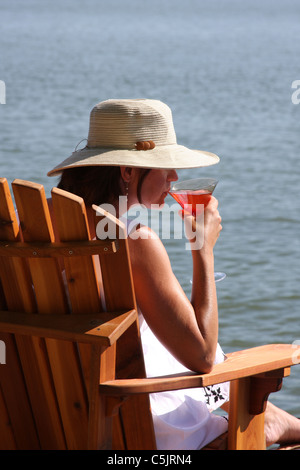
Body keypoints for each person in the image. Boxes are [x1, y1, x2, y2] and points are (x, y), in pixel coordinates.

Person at [48, 99, 300, 450]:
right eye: (164, 166)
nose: (175, 178)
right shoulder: (134, 243)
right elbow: (201, 358)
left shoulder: (36, 238)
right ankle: (269, 418)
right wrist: (203, 250)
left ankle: (274, 418)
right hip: (141, 428)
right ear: (127, 171)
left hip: (56, 419)